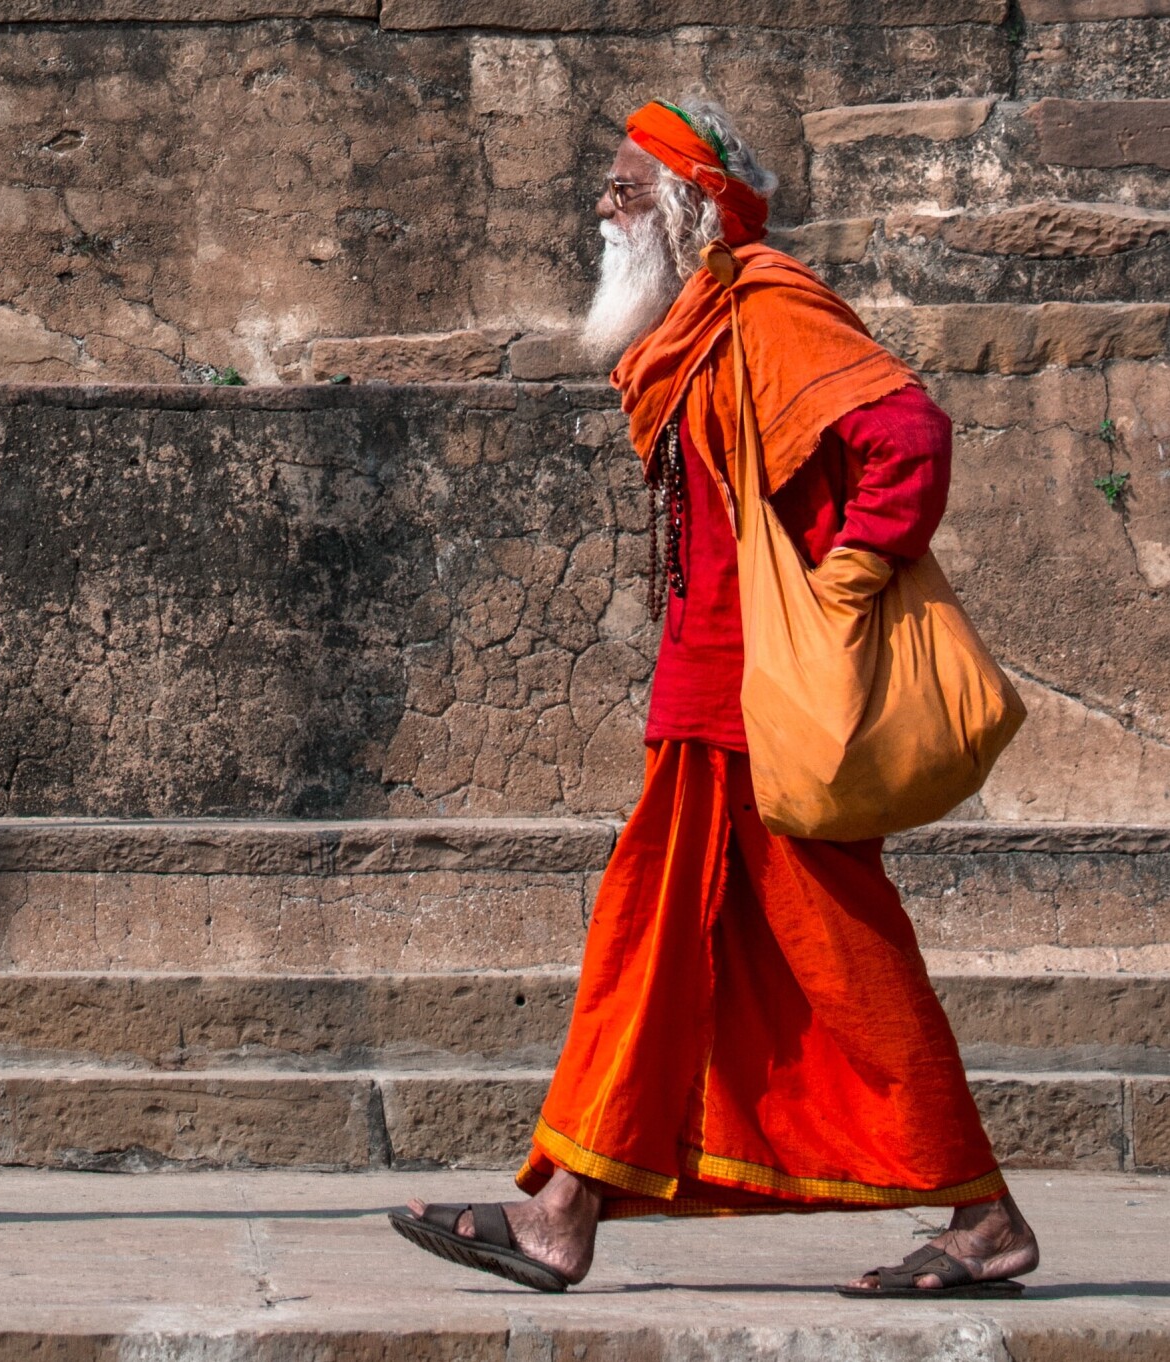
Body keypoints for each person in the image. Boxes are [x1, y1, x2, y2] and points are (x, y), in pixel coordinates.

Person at [389, 97, 1039, 1298]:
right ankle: (563, 1210)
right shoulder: (695, 324)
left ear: (686, 208)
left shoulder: (767, 306)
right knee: (651, 944)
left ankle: (980, 1218)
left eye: (623, 188)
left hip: (768, 696)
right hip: (708, 689)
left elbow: (907, 432)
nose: (600, 204)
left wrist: (848, 571)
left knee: (840, 954)